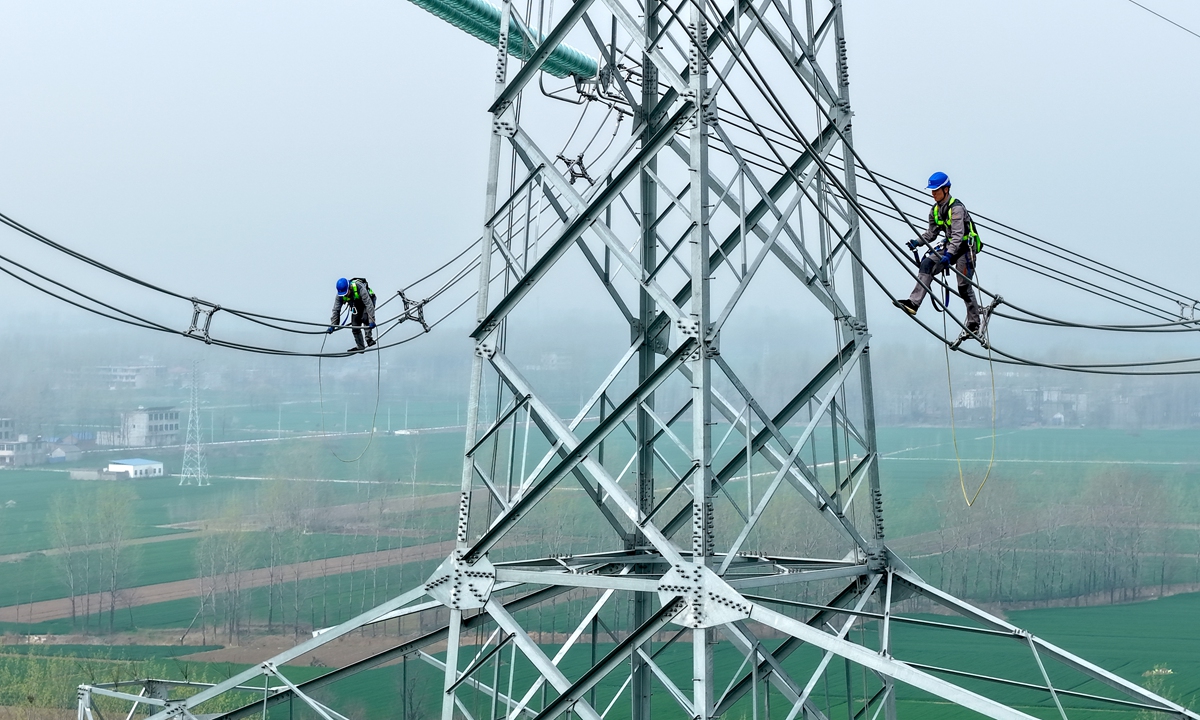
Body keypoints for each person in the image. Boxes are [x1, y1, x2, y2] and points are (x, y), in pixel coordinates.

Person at [895, 172, 983, 332]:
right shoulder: (934, 211)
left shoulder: (956, 209)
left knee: (963, 286)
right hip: (950, 246)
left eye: (936, 190)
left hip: (964, 248)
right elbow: (931, 233)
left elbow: (957, 236)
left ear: (946, 189)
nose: (933, 193)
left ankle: (974, 322)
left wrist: (949, 255)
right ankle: (913, 303)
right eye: (932, 190)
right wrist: (918, 242)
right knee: (927, 264)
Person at [327, 277, 377, 352]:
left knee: (365, 318)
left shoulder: (360, 288)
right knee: (355, 326)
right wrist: (333, 325)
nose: (345, 295)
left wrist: (372, 321)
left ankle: (369, 339)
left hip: (368, 301)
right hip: (356, 305)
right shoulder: (340, 295)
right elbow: (336, 310)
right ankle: (360, 347)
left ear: (349, 287)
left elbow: (369, 304)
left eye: (346, 293)